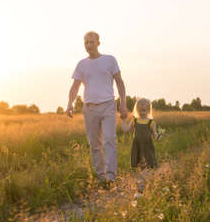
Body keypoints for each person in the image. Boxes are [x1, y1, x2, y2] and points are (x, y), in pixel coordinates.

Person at [66, 31, 127, 186]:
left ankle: (111, 176)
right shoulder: (81, 64)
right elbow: (74, 87)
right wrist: (70, 103)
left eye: (92, 42)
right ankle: (101, 178)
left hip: (108, 105)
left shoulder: (109, 60)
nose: (89, 45)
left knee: (109, 140)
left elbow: (120, 82)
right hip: (89, 108)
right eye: (86, 42)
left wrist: (123, 103)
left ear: (98, 43)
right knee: (95, 144)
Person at [121, 98, 159, 169]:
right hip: (137, 144)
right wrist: (123, 120)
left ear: (148, 110)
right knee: (140, 163)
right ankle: (142, 176)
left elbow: (155, 134)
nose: (142, 112)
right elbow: (126, 130)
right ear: (137, 110)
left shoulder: (151, 122)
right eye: (140, 110)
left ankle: (148, 176)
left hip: (147, 145)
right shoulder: (135, 120)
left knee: (149, 163)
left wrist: (157, 136)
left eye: (144, 110)